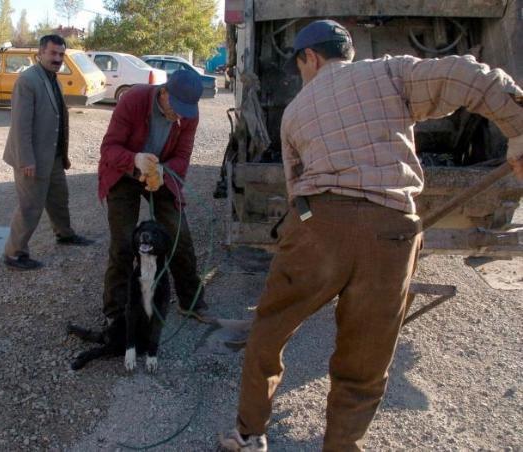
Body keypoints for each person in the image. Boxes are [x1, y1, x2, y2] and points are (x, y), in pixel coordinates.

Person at [218, 20, 523, 452]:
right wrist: (518, 129)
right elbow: (468, 75)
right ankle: (341, 446)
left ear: (311, 57)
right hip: (393, 233)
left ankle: (248, 435)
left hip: (317, 229)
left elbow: (295, 189)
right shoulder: (388, 73)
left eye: (300, 64)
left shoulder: (294, 112)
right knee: (365, 360)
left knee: (268, 331)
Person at [98, 69, 209, 325]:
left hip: (159, 174)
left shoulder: (188, 114)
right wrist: (135, 159)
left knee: (179, 235)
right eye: (176, 107)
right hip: (122, 174)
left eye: (185, 111)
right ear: (164, 92)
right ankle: (115, 313)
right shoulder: (134, 100)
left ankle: (191, 302)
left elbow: (182, 157)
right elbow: (109, 149)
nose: (179, 115)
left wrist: (161, 171)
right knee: (124, 243)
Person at [3, 35, 93, 271]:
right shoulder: (28, 80)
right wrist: (26, 160)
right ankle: (14, 254)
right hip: (31, 157)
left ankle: (64, 234)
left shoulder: (54, 79)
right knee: (30, 206)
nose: (57, 59)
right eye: (52, 54)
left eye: (61, 55)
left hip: (52, 156)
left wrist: (62, 155)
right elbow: (20, 125)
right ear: (40, 53)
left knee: (58, 198)